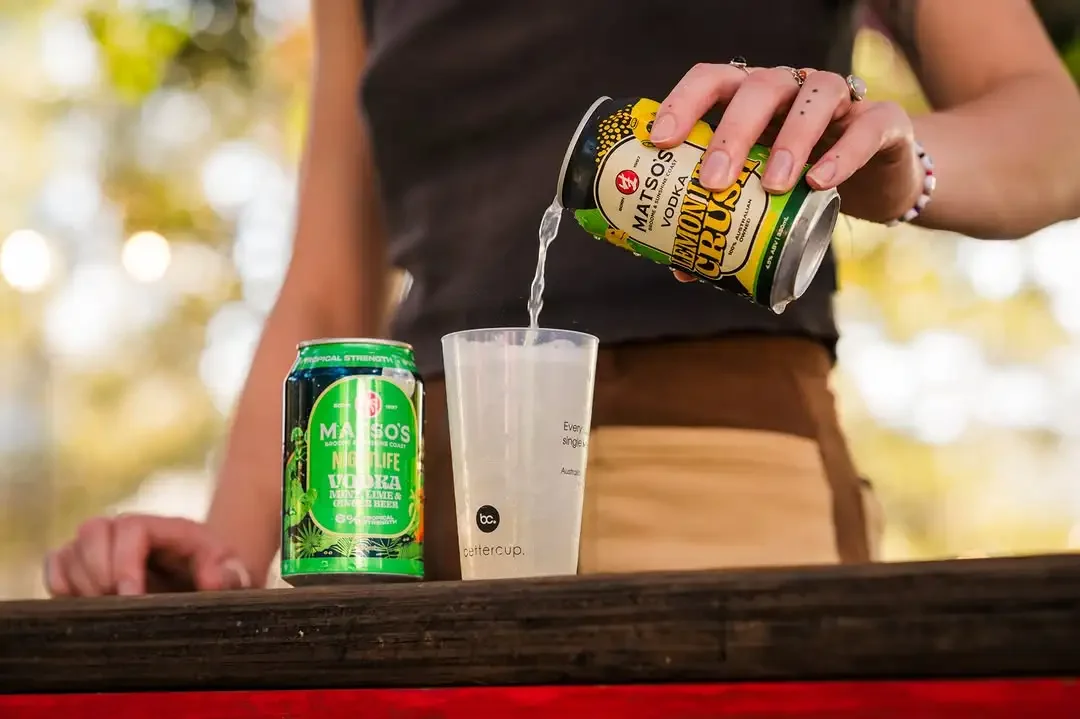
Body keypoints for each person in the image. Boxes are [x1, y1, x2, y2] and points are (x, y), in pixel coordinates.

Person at [44, 0, 1080, 596]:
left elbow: (1055, 130)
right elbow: (326, 294)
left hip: (714, 486)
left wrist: (905, 161)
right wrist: (223, 550)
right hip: (416, 524)